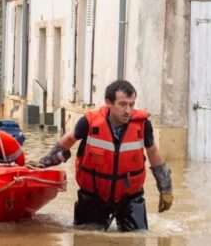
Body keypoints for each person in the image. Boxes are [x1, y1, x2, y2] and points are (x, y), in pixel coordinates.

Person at [39, 80, 174, 231]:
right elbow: (68, 141)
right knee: (87, 237)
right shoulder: (89, 122)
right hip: (93, 196)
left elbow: (153, 153)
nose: (128, 111)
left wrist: (166, 189)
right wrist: (43, 163)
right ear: (108, 102)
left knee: (138, 237)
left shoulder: (143, 125)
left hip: (129, 197)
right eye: (122, 104)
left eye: (132, 104)